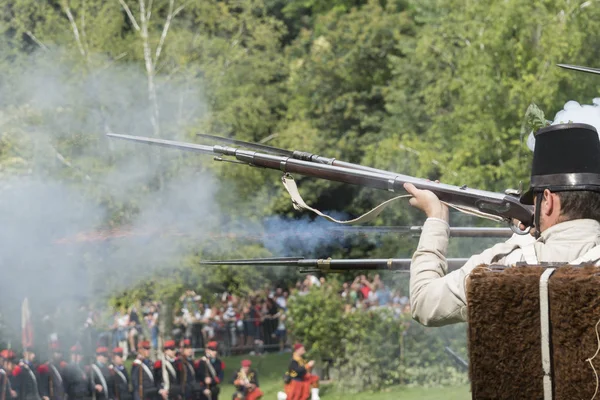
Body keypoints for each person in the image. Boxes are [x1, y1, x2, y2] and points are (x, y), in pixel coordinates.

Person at [405, 123, 600, 326]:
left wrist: (436, 218)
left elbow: (424, 302)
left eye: (535, 200)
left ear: (548, 201)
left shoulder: (505, 264)